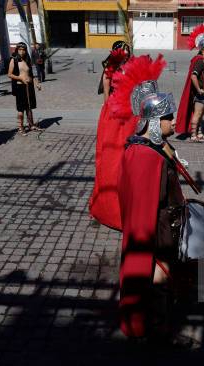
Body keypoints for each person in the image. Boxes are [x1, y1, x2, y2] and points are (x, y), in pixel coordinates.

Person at [111, 54, 185, 341]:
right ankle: (156, 332)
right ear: (153, 121)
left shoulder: (146, 148)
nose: (173, 121)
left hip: (163, 225)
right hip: (156, 231)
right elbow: (142, 209)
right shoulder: (143, 156)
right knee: (158, 280)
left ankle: (157, 326)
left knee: (162, 280)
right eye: (168, 118)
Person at [89, 41, 138, 230]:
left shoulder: (131, 65)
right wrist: (108, 104)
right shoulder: (112, 65)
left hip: (131, 113)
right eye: (122, 48)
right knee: (111, 156)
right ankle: (108, 206)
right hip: (115, 112)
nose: (126, 51)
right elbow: (106, 82)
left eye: (128, 48)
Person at [176, 24, 204, 143]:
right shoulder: (199, 61)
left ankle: (199, 133)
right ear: (203, 48)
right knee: (197, 113)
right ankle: (193, 135)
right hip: (200, 93)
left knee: (201, 114)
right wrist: (198, 90)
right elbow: (193, 76)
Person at [7, 42, 41, 134]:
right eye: (20, 50)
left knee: (29, 107)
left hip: (29, 86)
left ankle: (31, 125)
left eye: (23, 50)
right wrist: (20, 78)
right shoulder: (14, 60)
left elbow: (31, 75)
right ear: (17, 50)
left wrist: (36, 83)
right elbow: (9, 74)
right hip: (20, 87)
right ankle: (20, 127)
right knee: (21, 109)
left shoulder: (27, 59)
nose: (22, 52)